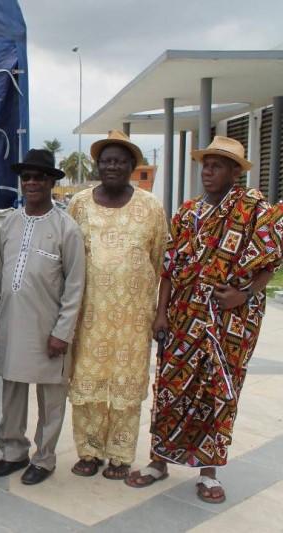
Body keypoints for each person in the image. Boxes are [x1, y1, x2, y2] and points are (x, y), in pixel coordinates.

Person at [125, 136, 283, 503]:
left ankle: (208, 473)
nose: (208, 171)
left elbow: (271, 258)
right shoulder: (187, 213)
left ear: (234, 173)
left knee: (217, 394)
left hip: (229, 321)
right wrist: (161, 313)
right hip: (182, 316)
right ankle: (159, 461)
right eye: (206, 165)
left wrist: (245, 294)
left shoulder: (251, 209)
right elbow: (168, 269)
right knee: (171, 389)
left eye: (218, 166)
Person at [67, 130, 167, 480]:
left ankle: (121, 455)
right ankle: (89, 452)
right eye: (106, 160)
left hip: (133, 318)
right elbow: (67, 258)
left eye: (119, 161)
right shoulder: (78, 203)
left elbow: (162, 262)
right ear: (98, 165)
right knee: (88, 384)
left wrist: (160, 313)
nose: (111, 166)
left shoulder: (151, 207)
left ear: (131, 167)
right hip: (89, 315)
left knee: (126, 384)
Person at [0, 149, 85, 484]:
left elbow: (75, 285)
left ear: (51, 182)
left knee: (50, 395)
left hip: (49, 329)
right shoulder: (11, 222)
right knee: (12, 389)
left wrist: (63, 331)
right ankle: (13, 452)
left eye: (39, 177)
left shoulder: (66, 228)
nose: (31, 182)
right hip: (12, 324)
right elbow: (1, 275)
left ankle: (44, 459)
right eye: (26, 176)